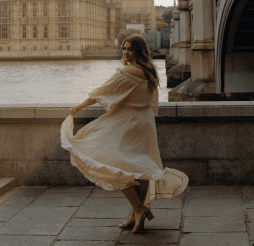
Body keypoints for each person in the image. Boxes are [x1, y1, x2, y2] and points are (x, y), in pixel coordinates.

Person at [60, 34, 188, 233]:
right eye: (124, 49)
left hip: (129, 123)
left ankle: (138, 208)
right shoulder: (150, 71)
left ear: (138, 50)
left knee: (115, 164)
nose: (125, 53)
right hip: (145, 122)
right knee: (141, 166)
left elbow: (101, 92)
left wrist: (79, 106)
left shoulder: (128, 71)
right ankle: (137, 215)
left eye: (129, 49)